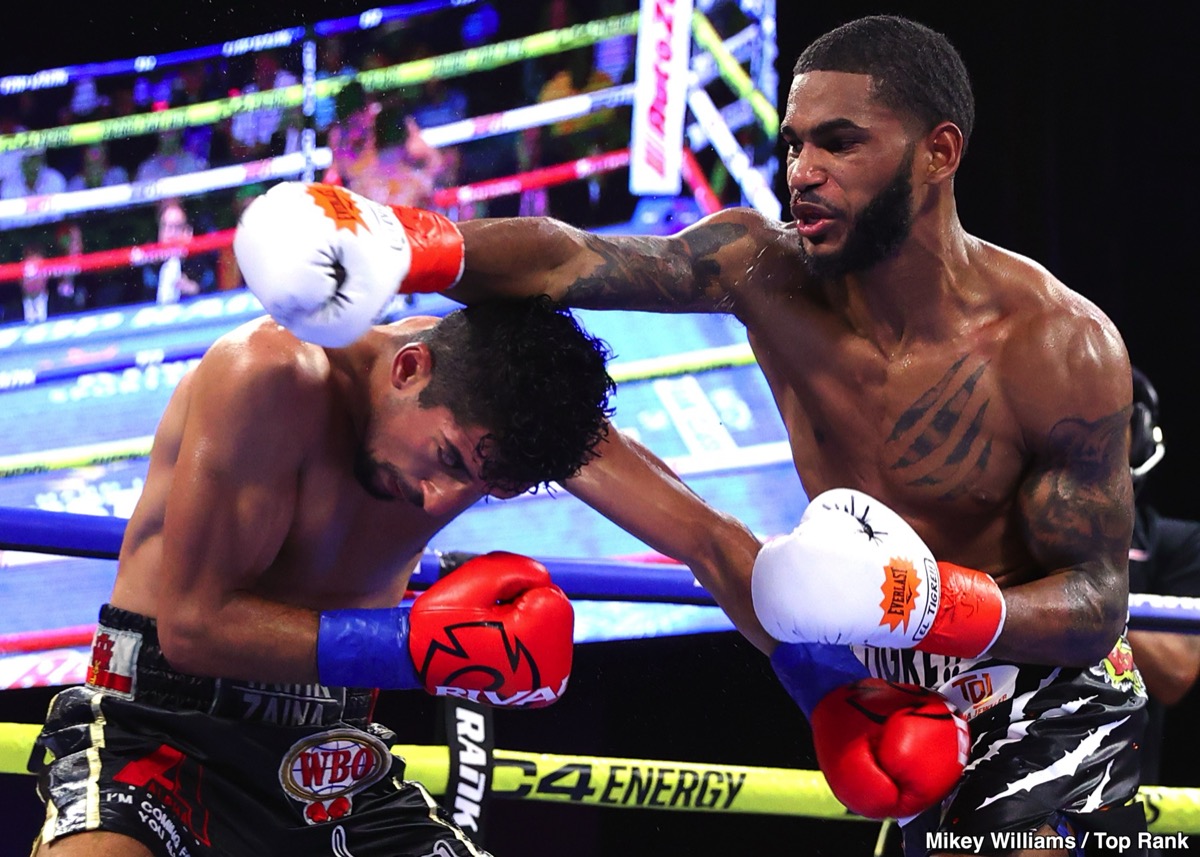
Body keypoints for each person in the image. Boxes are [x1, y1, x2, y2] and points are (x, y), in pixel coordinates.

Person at [234, 15, 1151, 857]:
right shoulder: (763, 271)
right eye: (794, 143)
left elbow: (1100, 600)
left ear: (939, 152)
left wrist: (932, 604)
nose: (803, 171)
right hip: (902, 699)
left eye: (840, 142)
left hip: (1049, 695)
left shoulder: (1054, 346)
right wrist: (406, 244)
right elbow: (563, 258)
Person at [1125, 367, 1200, 789]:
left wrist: (1085, 597)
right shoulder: (1000, 534)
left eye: (1116, 422)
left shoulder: (1175, 542)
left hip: (1121, 787)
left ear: (1139, 436)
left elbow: (1176, 673)